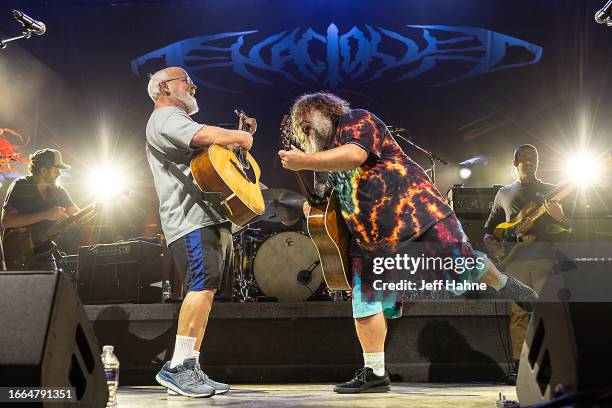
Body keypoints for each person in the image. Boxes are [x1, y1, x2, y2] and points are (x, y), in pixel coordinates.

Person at [277, 92, 537, 394]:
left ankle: (506, 284)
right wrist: (314, 205)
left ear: (324, 111)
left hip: (419, 215)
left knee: (462, 269)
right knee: (365, 301)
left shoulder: (355, 120)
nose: (303, 127)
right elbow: (327, 197)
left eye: (305, 119)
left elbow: (355, 155)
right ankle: (374, 372)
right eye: (299, 126)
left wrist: (304, 160)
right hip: (371, 240)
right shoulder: (321, 160)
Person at [145, 66, 255, 398]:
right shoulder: (166, 118)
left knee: (205, 290)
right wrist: (238, 136)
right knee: (200, 288)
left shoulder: (178, 121)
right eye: (185, 81)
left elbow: (211, 165)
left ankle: (188, 364)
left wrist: (235, 143)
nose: (193, 86)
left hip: (204, 217)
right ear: (165, 86)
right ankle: (177, 367)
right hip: (189, 220)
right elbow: (203, 136)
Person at [483, 144, 569, 366]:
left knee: (548, 311)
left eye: (534, 158)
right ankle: (520, 367)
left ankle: (551, 364)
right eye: (525, 158)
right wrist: (490, 243)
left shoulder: (551, 191)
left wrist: (560, 218)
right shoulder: (503, 193)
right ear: (515, 163)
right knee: (519, 313)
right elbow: (490, 229)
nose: (530, 161)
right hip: (515, 261)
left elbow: (571, 232)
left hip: (545, 258)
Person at [1, 148, 78, 270]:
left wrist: (97, 208)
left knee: (62, 286)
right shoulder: (22, 185)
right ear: (43, 170)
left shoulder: (58, 191)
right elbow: (7, 221)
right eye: (56, 169)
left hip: (44, 254)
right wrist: (47, 214)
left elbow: (78, 216)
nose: (59, 173)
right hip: (17, 256)